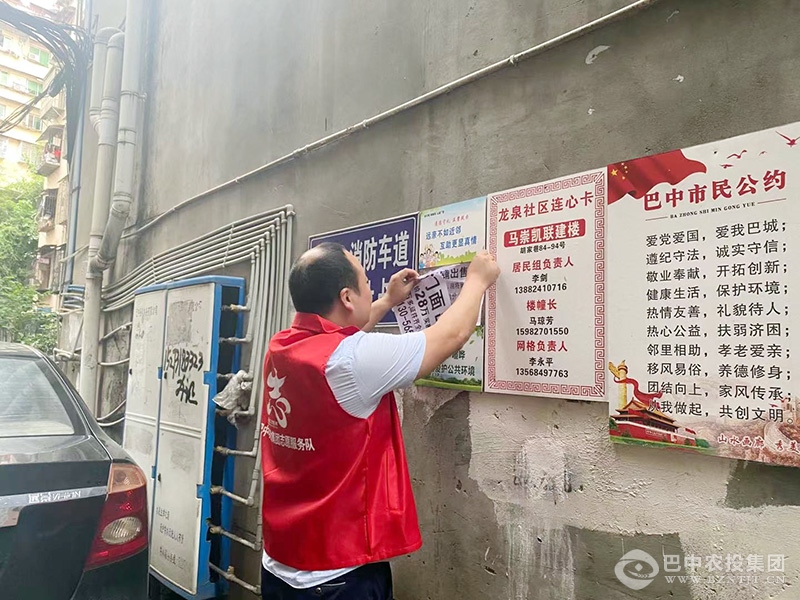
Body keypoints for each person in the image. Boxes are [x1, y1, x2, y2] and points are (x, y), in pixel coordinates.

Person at [260, 242, 500, 599]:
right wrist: (477, 281)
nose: (371, 289)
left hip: (280, 562)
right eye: (366, 283)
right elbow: (450, 336)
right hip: (337, 575)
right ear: (347, 297)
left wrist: (387, 300)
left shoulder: (282, 346)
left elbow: (341, 339)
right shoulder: (351, 361)